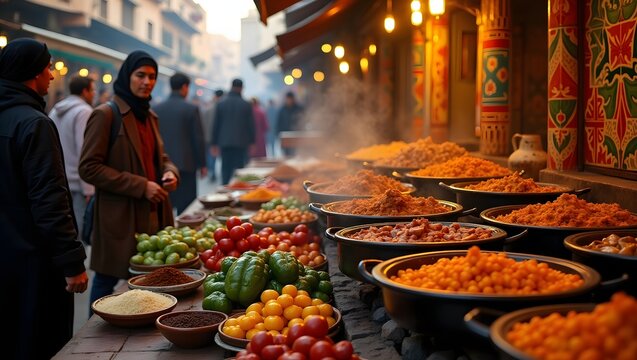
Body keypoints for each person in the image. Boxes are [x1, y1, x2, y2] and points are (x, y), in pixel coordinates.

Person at [0, 37, 89, 359]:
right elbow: (49, 199)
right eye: (48, 67)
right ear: (33, 72)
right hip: (34, 263)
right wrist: (71, 263)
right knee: (41, 340)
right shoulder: (34, 123)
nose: (52, 75)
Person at [79, 50, 179, 306]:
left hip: (152, 213)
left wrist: (170, 171)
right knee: (106, 281)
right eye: (141, 75)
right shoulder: (106, 114)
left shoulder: (150, 116)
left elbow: (162, 156)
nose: (147, 82)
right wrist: (140, 185)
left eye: (152, 77)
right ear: (127, 76)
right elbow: (89, 167)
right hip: (119, 217)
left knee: (147, 284)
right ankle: (94, 342)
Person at [49, 75, 96, 237]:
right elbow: (85, 149)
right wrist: (89, 187)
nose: (94, 94)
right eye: (93, 90)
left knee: (63, 228)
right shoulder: (84, 112)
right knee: (78, 228)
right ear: (85, 91)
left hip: (58, 178)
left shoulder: (56, 109)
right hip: (78, 182)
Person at [153, 72, 206, 214]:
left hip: (163, 166)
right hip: (186, 165)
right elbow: (198, 139)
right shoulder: (191, 109)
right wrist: (202, 164)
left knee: (167, 206)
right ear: (184, 87)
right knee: (186, 209)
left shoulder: (156, 109)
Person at [211, 78, 255, 184]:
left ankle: (225, 193)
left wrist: (214, 144)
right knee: (239, 171)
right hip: (241, 143)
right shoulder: (246, 104)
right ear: (241, 88)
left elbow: (216, 125)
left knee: (225, 169)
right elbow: (250, 125)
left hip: (225, 142)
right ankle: (239, 193)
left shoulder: (221, 103)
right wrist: (252, 142)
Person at [201, 89, 224, 182]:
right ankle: (220, 173)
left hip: (209, 137)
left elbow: (204, 123)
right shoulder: (223, 108)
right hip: (221, 137)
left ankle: (212, 172)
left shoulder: (208, 109)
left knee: (211, 157)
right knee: (221, 156)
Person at [276, 91, 304, 156]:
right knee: (287, 156)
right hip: (285, 138)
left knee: (297, 155)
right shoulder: (282, 110)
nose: (289, 100)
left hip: (297, 137)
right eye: (288, 99)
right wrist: (278, 135)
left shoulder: (299, 109)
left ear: (293, 99)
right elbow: (278, 123)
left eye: (290, 99)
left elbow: (303, 121)